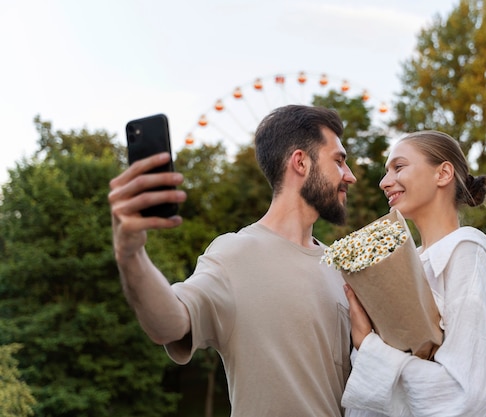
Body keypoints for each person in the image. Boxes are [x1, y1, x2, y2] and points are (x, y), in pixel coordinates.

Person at [108, 105, 357, 416]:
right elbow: (169, 324)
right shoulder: (235, 255)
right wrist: (130, 255)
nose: (351, 176)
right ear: (301, 162)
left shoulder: (342, 268)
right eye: (339, 161)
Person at [341, 130, 486, 417]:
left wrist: (368, 346)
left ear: (443, 174)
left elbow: (466, 396)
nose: (384, 182)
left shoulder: (464, 254)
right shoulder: (403, 262)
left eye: (398, 167)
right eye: (386, 171)